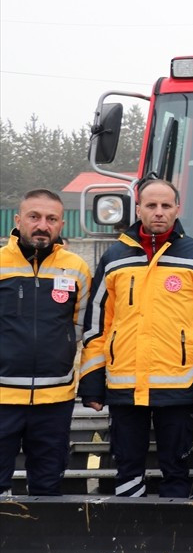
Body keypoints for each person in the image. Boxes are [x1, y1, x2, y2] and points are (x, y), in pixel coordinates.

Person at [80, 179, 193, 498]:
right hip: (124, 386)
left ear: (178, 209)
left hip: (177, 386)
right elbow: (96, 327)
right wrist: (92, 382)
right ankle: (130, 533)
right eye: (151, 206)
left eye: (165, 206)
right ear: (138, 209)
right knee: (127, 466)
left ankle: (173, 533)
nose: (158, 212)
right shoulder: (114, 258)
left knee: (176, 468)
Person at [0, 189, 92, 496]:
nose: (43, 225)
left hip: (55, 400)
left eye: (51, 219)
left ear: (61, 224)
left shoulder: (77, 268)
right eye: (34, 217)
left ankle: (41, 545)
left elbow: (81, 326)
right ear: (18, 220)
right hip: (2, 400)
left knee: (48, 486)